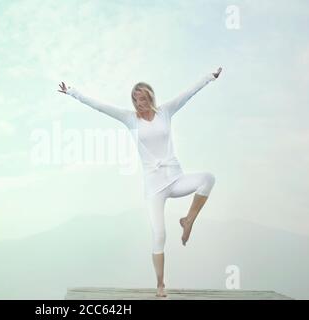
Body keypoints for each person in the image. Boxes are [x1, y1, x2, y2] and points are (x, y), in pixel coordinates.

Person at [58, 67, 222, 298]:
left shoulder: (165, 111)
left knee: (208, 179)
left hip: (176, 178)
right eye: (135, 100)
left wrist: (209, 78)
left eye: (143, 98)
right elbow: (99, 106)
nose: (139, 103)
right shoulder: (129, 118)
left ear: (151, 98)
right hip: (154, 188)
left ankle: (188, 220)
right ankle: (160, 284)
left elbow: (188, 93)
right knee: (159, 235)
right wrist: (73, 92)